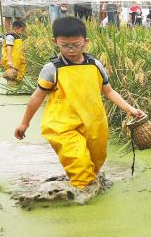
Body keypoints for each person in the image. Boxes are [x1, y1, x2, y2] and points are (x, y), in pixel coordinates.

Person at [14, 17, 144, 198]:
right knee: (80, 166)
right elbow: (37, 96)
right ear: (55, 42)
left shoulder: (95, 65)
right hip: (62, 125)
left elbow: (109, 91)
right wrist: (24, 123)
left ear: (85, 42)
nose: (71, 50)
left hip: (94, 123)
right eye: (65, 45)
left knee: (95, 163)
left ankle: (81, 186)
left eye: (76, 45)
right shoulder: (52, 68)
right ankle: (80, 204)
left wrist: (129, 108)